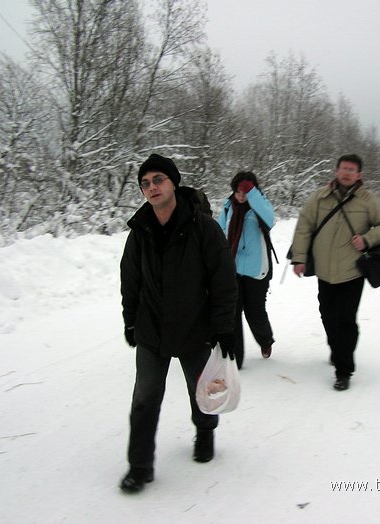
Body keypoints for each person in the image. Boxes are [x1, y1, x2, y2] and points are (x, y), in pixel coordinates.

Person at [119, 153, 237, 493]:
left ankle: (204, 431)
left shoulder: (203, 228)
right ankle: (139, 466)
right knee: (144, 398)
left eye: (158, 180)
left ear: (174, 182)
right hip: (151, 331)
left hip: (194, 328)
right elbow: (131, 280)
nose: (152, 187)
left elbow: (223, 281)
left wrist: (224, 327)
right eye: (145, 183)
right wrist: (130, 321)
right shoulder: (139, 232)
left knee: (202, 391)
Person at [290, 154, 380, 391]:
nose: (347, 172)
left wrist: (368, 239)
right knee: (327, 315)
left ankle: (344, 370)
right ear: (336, 171)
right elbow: (304, 226)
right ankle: (338, 348)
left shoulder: (367, 200)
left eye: (352, 169)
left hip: (351, 272)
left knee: (345, 320)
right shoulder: (320, 197)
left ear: (359, 175)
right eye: (343, 168)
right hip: (325, 272)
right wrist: (299, 257)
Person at [217, 171, 275, 369]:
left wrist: (252, 194)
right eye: (238, 191)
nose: (241, 195)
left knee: (255, 311)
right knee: (233, 313)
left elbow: (270, 221)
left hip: (256, 270)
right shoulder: (227, 207)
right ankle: (236, 357)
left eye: (245, 191)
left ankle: (265, 340)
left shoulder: (260, 207)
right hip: (232, 270)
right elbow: (218, 233)